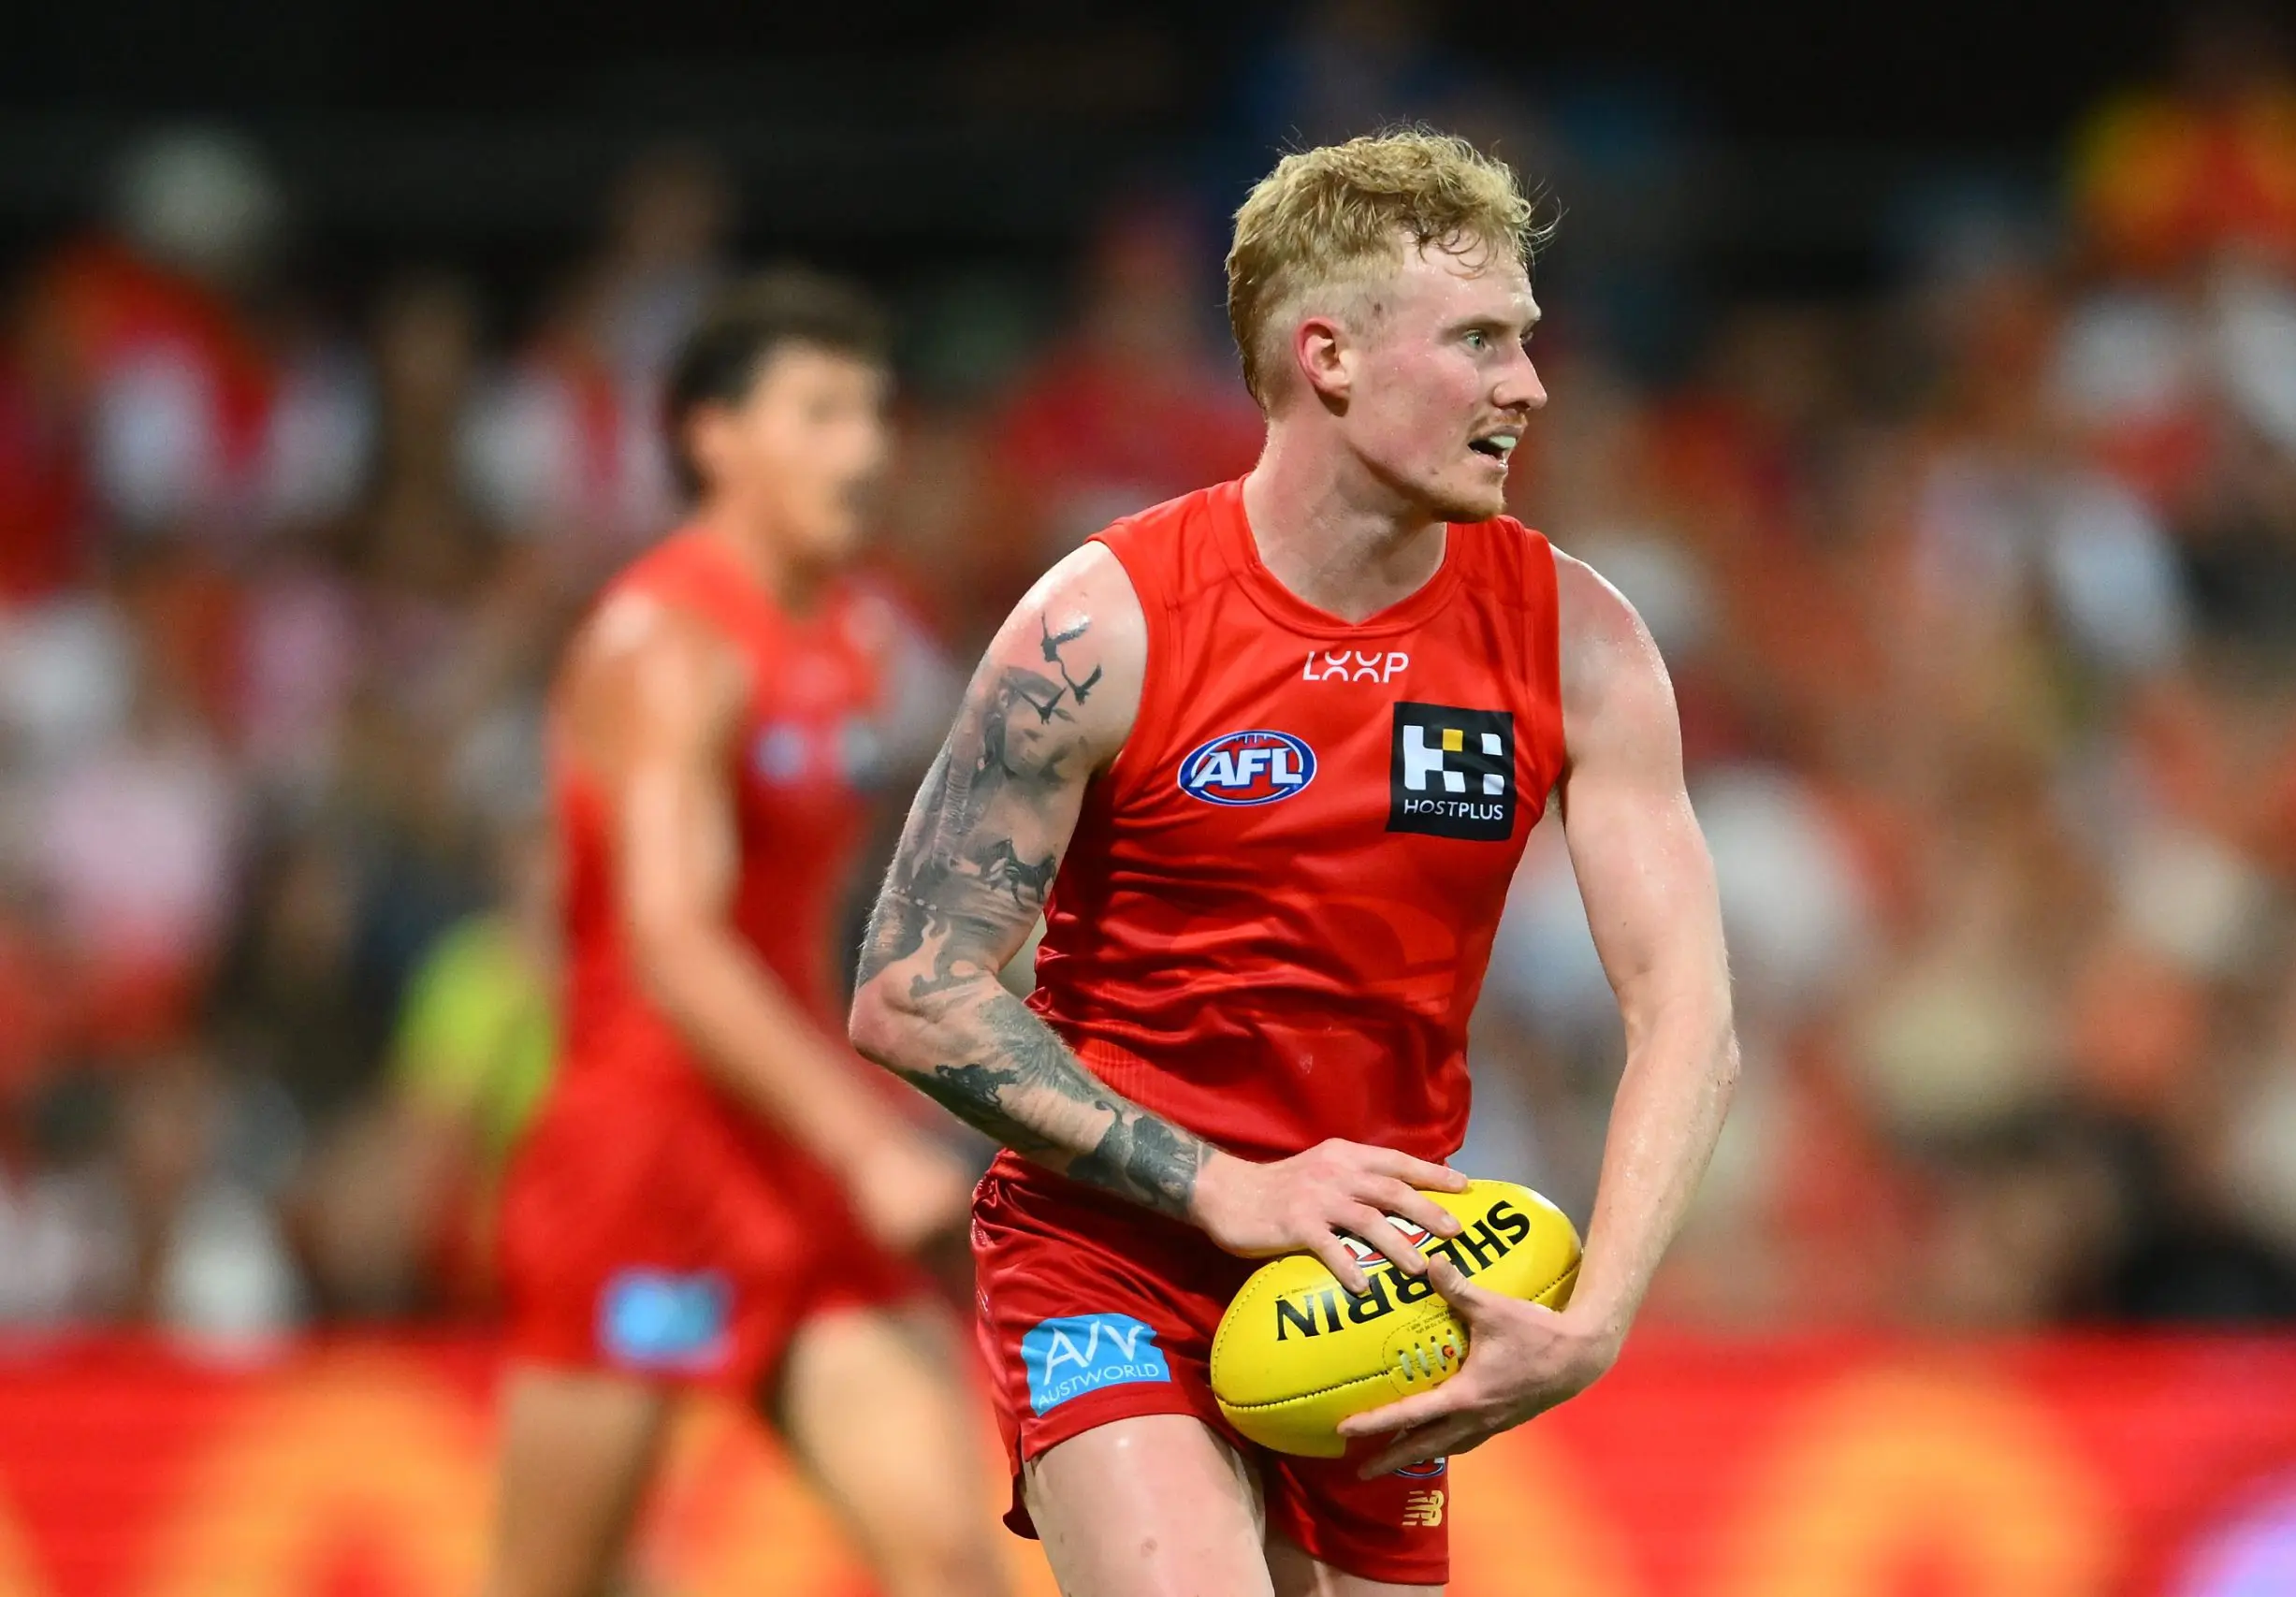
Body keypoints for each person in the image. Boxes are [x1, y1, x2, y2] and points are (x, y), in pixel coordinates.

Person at [850, 130, 1740, 1596]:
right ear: (1328, 356)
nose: (1527, 385)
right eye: (1480, 342)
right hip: (1113, 1251)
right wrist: (1220, 1188)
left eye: (1525, 340)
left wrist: (1596, 1318)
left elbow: (1688, 1016)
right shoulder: (1104, 624)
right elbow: (910, 988)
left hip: (1372, 1285)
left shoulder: (1583, 643)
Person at [487, 272, 1005, 1597]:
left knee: (955, 1560)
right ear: (712, 435)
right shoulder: (668, 643)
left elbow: (802, 916)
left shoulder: (847, 635)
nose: (867, 449)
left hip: (784, 1141)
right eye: (821, 413)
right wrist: (863, 1135)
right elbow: (673, 942)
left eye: (873, 413)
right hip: (648, 1151)